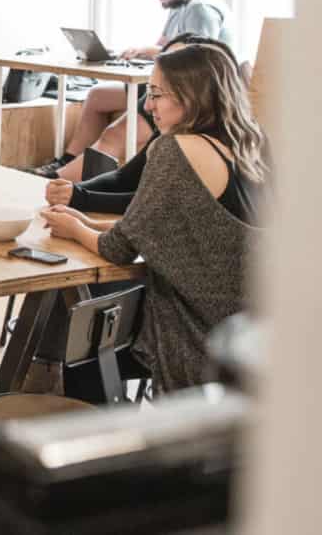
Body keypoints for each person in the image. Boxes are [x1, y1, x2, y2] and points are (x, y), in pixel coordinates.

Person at [41, 42, 266, 393]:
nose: (148, 105)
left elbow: (118, 250)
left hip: (199, 339)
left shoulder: (176, 149)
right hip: (251, 333)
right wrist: (86, 223)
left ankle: (104, 444)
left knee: (82, 351)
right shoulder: (245, 146)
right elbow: (157, 228)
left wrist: (73, 228)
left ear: (190, 96)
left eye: (156, 94)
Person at [32, 0, 236, 180]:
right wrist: (137, 52)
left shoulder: (202, 8)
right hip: (171, 84)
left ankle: (62, 181)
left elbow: (198, 62)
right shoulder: (179, 4)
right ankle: (68, 160)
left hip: (191, 93)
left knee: (114, 134)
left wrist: (151, 52)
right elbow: (164, 45)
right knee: (98, 96)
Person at [44, 34, 244, 213]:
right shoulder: (179, 128)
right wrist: (74, 191)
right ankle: (57, 172)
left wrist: (79, 198)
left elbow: (147, 210)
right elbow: (126, 179)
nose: (147, 106)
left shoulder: (193, 147)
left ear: (193, 89)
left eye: (157, 93)